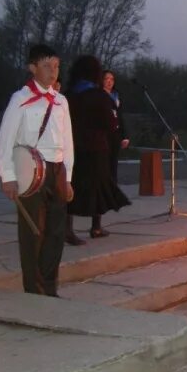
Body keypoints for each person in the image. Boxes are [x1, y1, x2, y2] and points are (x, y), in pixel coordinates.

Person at [0, 44, 74, 297]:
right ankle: (33, 288)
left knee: (56, 231)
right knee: (32, 231)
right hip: (31, 171)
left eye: (56, 66)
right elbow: (5, 139)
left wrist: (68, 177)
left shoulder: (61, 101)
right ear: (32, 68)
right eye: (46, 66)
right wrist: (7, 176)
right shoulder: (20, 100)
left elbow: (68, 141)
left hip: (57, 171)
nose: (53, 71)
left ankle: (50, 287)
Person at [64, 55, 130, 242]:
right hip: (96, 148)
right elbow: (111, 124)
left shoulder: (69, 95)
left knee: (72, 185)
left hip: (73, 147)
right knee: (98, 188)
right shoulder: (99, 96)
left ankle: (67, 228)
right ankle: (96, 227)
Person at [101, 69, 130, 182]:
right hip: (103, 135)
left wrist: (125, 136)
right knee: (104, 164)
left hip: (115, 135)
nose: (109, 82)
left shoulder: (116, 96)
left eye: (112, 79)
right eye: (106, 79)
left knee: (113, 165)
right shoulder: (97, 95)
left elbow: (120, 117)